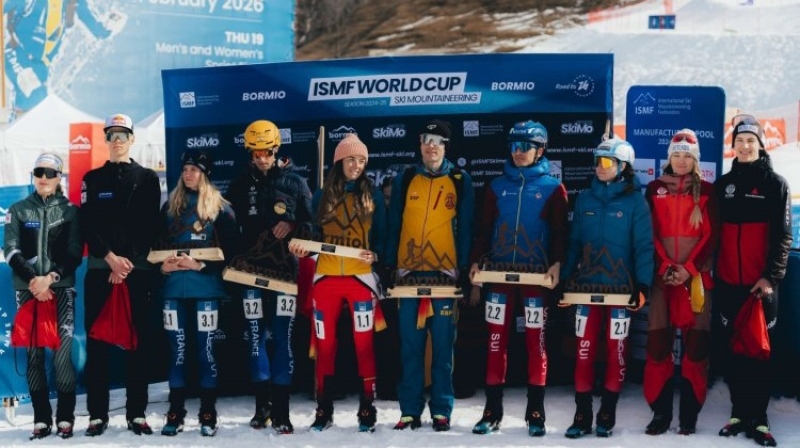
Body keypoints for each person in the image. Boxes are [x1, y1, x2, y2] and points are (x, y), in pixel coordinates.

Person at [468, 120, 568, 436]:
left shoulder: (553, 187)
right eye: (514, 146)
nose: (519, 152)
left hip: (535, 278)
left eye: (525, 146)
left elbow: (561, 235)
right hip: (498, 275)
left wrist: (557, 264)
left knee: (535, 342)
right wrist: (475, 261)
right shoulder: (497, 186)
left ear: (540, 150)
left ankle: (535, 410)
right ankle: (491, 409)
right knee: (496, 342)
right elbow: (483, 230)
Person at [288, 134, 386, 432]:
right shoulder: (320, 196)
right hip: (327, 279)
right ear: (339, 161)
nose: (356, 165)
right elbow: (311, 234)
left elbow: (383, 233)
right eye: (350, 159)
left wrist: (378, 253)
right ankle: (324, 408)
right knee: (325, 345)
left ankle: (367, 408)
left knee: (364, 344)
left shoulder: (374, 194)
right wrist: (303, 247)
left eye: (361, 161)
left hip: (359, 280)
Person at [559, 138, 654, 439]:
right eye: (597, 161)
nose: (599, 168)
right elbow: (573, 244)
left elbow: (643, 246)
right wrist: (564, 280)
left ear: (622, 167)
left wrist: (642, 286)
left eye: (606, 162)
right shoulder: (585, 199)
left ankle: (607, 411)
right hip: (586, 288)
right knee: (584, 350)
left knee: (617, 351)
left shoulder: (635, 202)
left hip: (620, 291)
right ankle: (582, 412)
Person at [384, 119, 474, 432]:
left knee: (443, 349)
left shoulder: (460, 179)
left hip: (445, 277)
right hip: (409, 276)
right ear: (420, 145)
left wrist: (463, 267)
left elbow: (467, 227)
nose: (431, 146)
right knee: (410, 348)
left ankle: (441, 410)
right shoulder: (407, 177)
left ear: (446, 146)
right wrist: (388, 265)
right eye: (426, 139)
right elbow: (394, 223)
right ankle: (409, 410)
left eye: (437, 140)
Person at [224, 119, 313, 434]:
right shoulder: (238, 184)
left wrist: (292, 226)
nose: (262, 158)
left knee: (283, 339)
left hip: (284, 276)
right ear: (249, 151)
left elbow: (312, 227)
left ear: (277, 149)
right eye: (255, 152)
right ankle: (263, 406)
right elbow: (227, 229)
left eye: (267, 151)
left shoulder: (296, 183)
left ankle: (283, 411)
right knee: (254, 337)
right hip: (250, 274)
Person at [79, 113, 162, 436]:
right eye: (111, 135)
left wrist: (125, 262)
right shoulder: (92, 179)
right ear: (106, 140)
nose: (116, 141)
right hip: (101, 270)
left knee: (137, 344)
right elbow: (88, 225)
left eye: (122, 135)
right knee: (98, 345)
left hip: (136, 272)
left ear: (132, 139)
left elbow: (149, 225)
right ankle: (97, 415)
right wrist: (111, 259)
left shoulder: (147, 178)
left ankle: (136, 413)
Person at [714, 114, 791, 448]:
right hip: (729, 283)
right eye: (739, 141)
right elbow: (715, 236)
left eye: (751, 140)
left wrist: (769, 277)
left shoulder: (776, 184)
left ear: (760, 144)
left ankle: (759, 418)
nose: (745, 146)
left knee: (759, 352)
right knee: (733, 349)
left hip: (761, 287)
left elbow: (784, 237)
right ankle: (738, 413)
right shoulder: (723, 185)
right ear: (733, 146)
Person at [643, 129, 718, 436]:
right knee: (659, 345)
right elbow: (648, 232)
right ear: (669, 158)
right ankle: (660, 413)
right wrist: (664, 266)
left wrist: (689, 268)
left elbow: (711, 236)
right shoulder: (654, 189)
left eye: (688, 156)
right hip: (663, 278)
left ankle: (689, 415)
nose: (683, 161)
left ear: (696, 159)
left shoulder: (708, 191)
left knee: (696, 348)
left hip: (695, 280)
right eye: (677, 155)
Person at [157, 150, 237, 437]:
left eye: (195, 169)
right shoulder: (169, 207)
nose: (189, 173)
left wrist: (200, 265)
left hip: (207, 290)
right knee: (177, 352)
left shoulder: (221, 208)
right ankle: (176, 411)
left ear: (205, 174)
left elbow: (232, 253)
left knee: (205, 351)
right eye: (186, 169)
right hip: (173, 291)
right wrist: (163, 267)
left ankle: (208, 410)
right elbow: (155, 249)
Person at [4, 154, 81, 439]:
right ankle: (41, 419)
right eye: (39, 172)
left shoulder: (71, 211)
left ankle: (65, 418)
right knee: (34, 355)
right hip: (28, 291)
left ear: (60, 176)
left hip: (60, 290)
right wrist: (34, 281)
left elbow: (74, 253)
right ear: (33, 175)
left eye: (50, 173)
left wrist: (50, 278)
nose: (44, 178)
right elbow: (10, 249)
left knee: (61, 355)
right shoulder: (18, 209)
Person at [2, 0, 115, 115]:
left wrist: (109, 27)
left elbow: (94, 26)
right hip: (17, 52)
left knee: (38, 105)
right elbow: (6, 8)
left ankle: (20, 127)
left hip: (41, 63)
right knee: (32, 89)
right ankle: (20, 125)